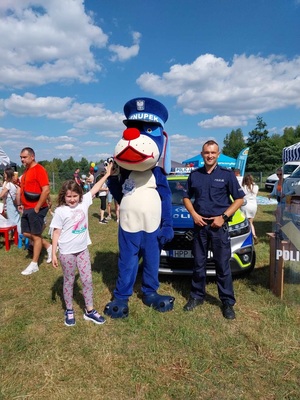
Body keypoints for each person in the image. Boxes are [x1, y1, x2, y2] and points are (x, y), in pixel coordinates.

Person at [183, 140, 245, 319]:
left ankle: (227, 302)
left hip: (219, 226)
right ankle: (196, 296)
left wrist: (223, 217)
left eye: (213, 153)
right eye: (206, 152)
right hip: (200, 225)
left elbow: (239, 199)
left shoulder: (227, 175)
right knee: (198, 263)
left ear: (218, 154)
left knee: (222, 265)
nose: (209, 155)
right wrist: (194, 214)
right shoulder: (195, 175)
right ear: (202, 154)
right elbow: (186, 197)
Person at [50, 162, 113, 326]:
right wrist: (53, 253)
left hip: (82, 250)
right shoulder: (60, 211)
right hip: (66, 253)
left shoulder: (84, 202)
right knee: (69, 280)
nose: (72, 199)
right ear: (64, 196)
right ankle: (69, 310)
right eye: (68, 196)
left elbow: (95, 189)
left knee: (87, 280)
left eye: (74, 196)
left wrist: (106, 175)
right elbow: (56, 232)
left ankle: (90, 310)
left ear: (79, 195)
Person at [18, 147, 52, 275]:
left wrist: (37, 207)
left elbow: (46, 189)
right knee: (26, 232)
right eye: (21, 157)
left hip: (35, 208)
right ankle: (49, 246)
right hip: (27, 207)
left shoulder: (39, 169)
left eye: (24, 157)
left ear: (32, 157)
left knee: (36, 235)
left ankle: (34, 264)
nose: (22, 159)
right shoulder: (27, 170)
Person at [0, 167, 21, 233]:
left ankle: (18, 235)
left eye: (5, 174)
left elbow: (1, 195)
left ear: (7, 174)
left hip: (10, 205)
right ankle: (19, 235)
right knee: (16, 219)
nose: (4, 175)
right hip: (14, 204)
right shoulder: (13, 185)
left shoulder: (8, 184)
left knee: (13, 220)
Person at [241, 174, 259, 244]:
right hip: (253, 206)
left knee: (245, 222)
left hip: (245, 205)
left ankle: (248, 236)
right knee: (251, 222)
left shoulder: (243, 187)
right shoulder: (256, 187)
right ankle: (254, 235)